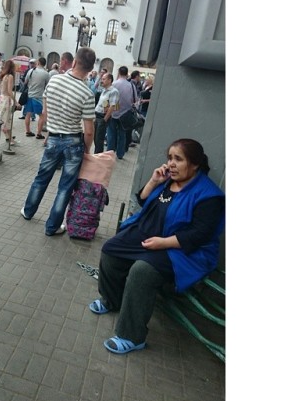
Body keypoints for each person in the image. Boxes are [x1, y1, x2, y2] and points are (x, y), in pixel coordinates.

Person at [88, 138, 225, 354]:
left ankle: (132, 336)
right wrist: (153, 181)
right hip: (150, 236)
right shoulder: (167, 181)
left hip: (181, 250)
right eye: (170, 158)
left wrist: (163, 243)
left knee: (142, 271)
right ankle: (113, 299)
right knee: (111, 249)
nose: (171, 164)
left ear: (195, 163)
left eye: (178, 159)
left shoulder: (208, 196)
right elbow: (142, 200)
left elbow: (199, 235)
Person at [21, 47, 96, 235]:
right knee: (65, 186)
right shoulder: (87, 93)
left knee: (41, 178)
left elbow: (45, 113)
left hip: (53, 139)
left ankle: (28, 211)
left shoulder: (54, 80)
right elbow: (88, 130)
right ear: (90, 68)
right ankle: (52, 227)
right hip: (73, 143)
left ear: (75, 62)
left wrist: (49, 132)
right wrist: (87, 150)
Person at [107, 66, 135, 160]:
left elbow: (107, 97)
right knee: (122, 134)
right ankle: (120, 154)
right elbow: (135, 100)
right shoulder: (131, 85)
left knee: (111, 133)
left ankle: (109, 152)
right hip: (125, 114)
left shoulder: (114, 84)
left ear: (119, 72)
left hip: (113, 111)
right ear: (127, 74)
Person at [24, 57, 50, 139]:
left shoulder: (31, 71)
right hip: (39, 97)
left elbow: (25, 81)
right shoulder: (46, 74)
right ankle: (39, 133)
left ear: (38, 62)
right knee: (41, 116)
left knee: (28, 114)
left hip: (29, 95)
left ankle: (28, 131)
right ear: (44, 64)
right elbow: (48, 85)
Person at [93, 73, 119, 154]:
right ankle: (96, 155)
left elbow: (113, 106)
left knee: (99, 139)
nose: (102, 80)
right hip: (97, 116)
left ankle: (98, 158)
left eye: (104, 79)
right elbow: (105, 103)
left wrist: (105, 119)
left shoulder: (114, 91)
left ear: (109, 80)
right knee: (95, 138)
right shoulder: (104, 90)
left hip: (102, 117)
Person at [0, 59, 19, 145]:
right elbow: (9, 91)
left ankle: (9, 137)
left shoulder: (3, 75)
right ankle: (10, 139)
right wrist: (16, 101)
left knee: (1, 117)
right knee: (6, 119)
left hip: (1, 98)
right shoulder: (10, 76)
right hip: (6, 100)